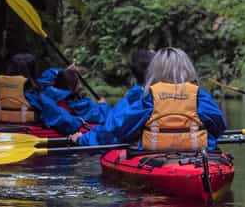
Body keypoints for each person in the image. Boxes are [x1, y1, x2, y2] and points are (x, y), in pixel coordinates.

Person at [71, 47, 226, 151]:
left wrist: (83, 140)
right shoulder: (199, 95)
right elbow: (219, 126)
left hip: (155, 154)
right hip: (197, 155)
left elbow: (121, 128)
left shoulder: (149, 97)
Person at [66, 49, 154, 145]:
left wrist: (81, 139)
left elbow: (110, 131)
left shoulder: (136, 100)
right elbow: (114, 123)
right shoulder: (159, 95)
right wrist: (103, 107)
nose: (80, 86)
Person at [0, 53, 86, 134]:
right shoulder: (38, 100)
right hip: (30, 133)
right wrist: (79, 121)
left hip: (2, 130)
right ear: (34, 73)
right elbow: (66, 122)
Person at [42, 66, 110, 124]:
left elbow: (48, 77)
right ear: (71, 87)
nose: (80, 85)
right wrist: (103, 105)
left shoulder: (48, 94)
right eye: (77, 82)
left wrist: (64, 72)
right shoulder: (80, 105)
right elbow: (102, 116)